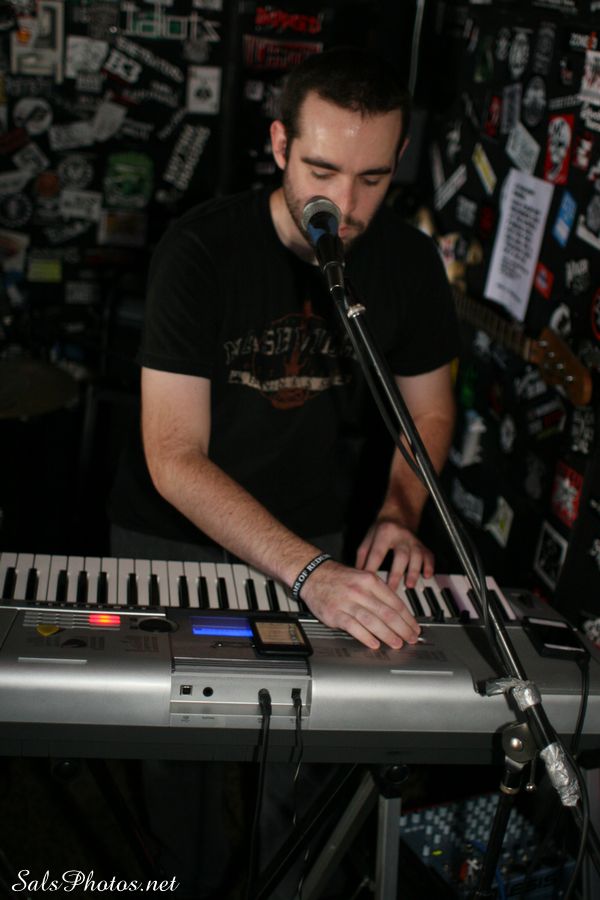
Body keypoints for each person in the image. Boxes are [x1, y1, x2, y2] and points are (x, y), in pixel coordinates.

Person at [108, 46, 459, 899]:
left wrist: (400, 508)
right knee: (181, 765)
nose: (346, 205)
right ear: (278, 145)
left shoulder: (408, 262)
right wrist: (311, 574)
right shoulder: (202, 249)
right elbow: (173, 456)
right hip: (173, 537)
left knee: (298, 760)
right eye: (322, 172)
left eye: (373, 178)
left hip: (314, 527)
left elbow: (430, 411)